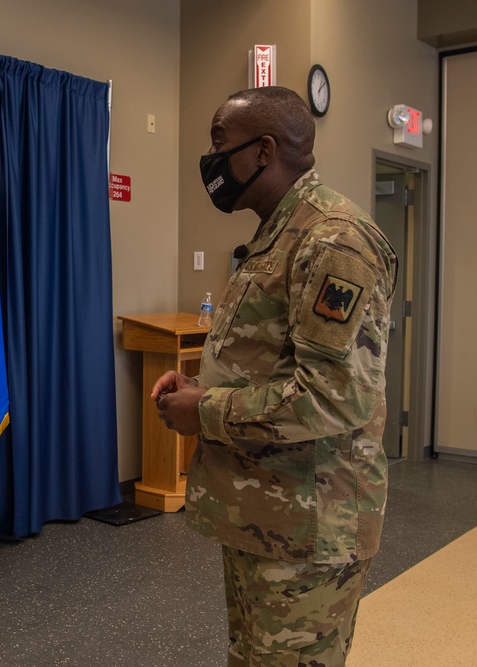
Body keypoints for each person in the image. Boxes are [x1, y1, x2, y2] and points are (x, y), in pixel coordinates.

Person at [152, 86, 397, 666]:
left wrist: (204, 412)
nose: (210, 159)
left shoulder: (333, 239)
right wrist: (201, 392)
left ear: (263, 151)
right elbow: (271, 362)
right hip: (262, 514)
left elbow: (334, 398)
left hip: (310, 525)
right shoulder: (277, 233)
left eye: (218, 142)